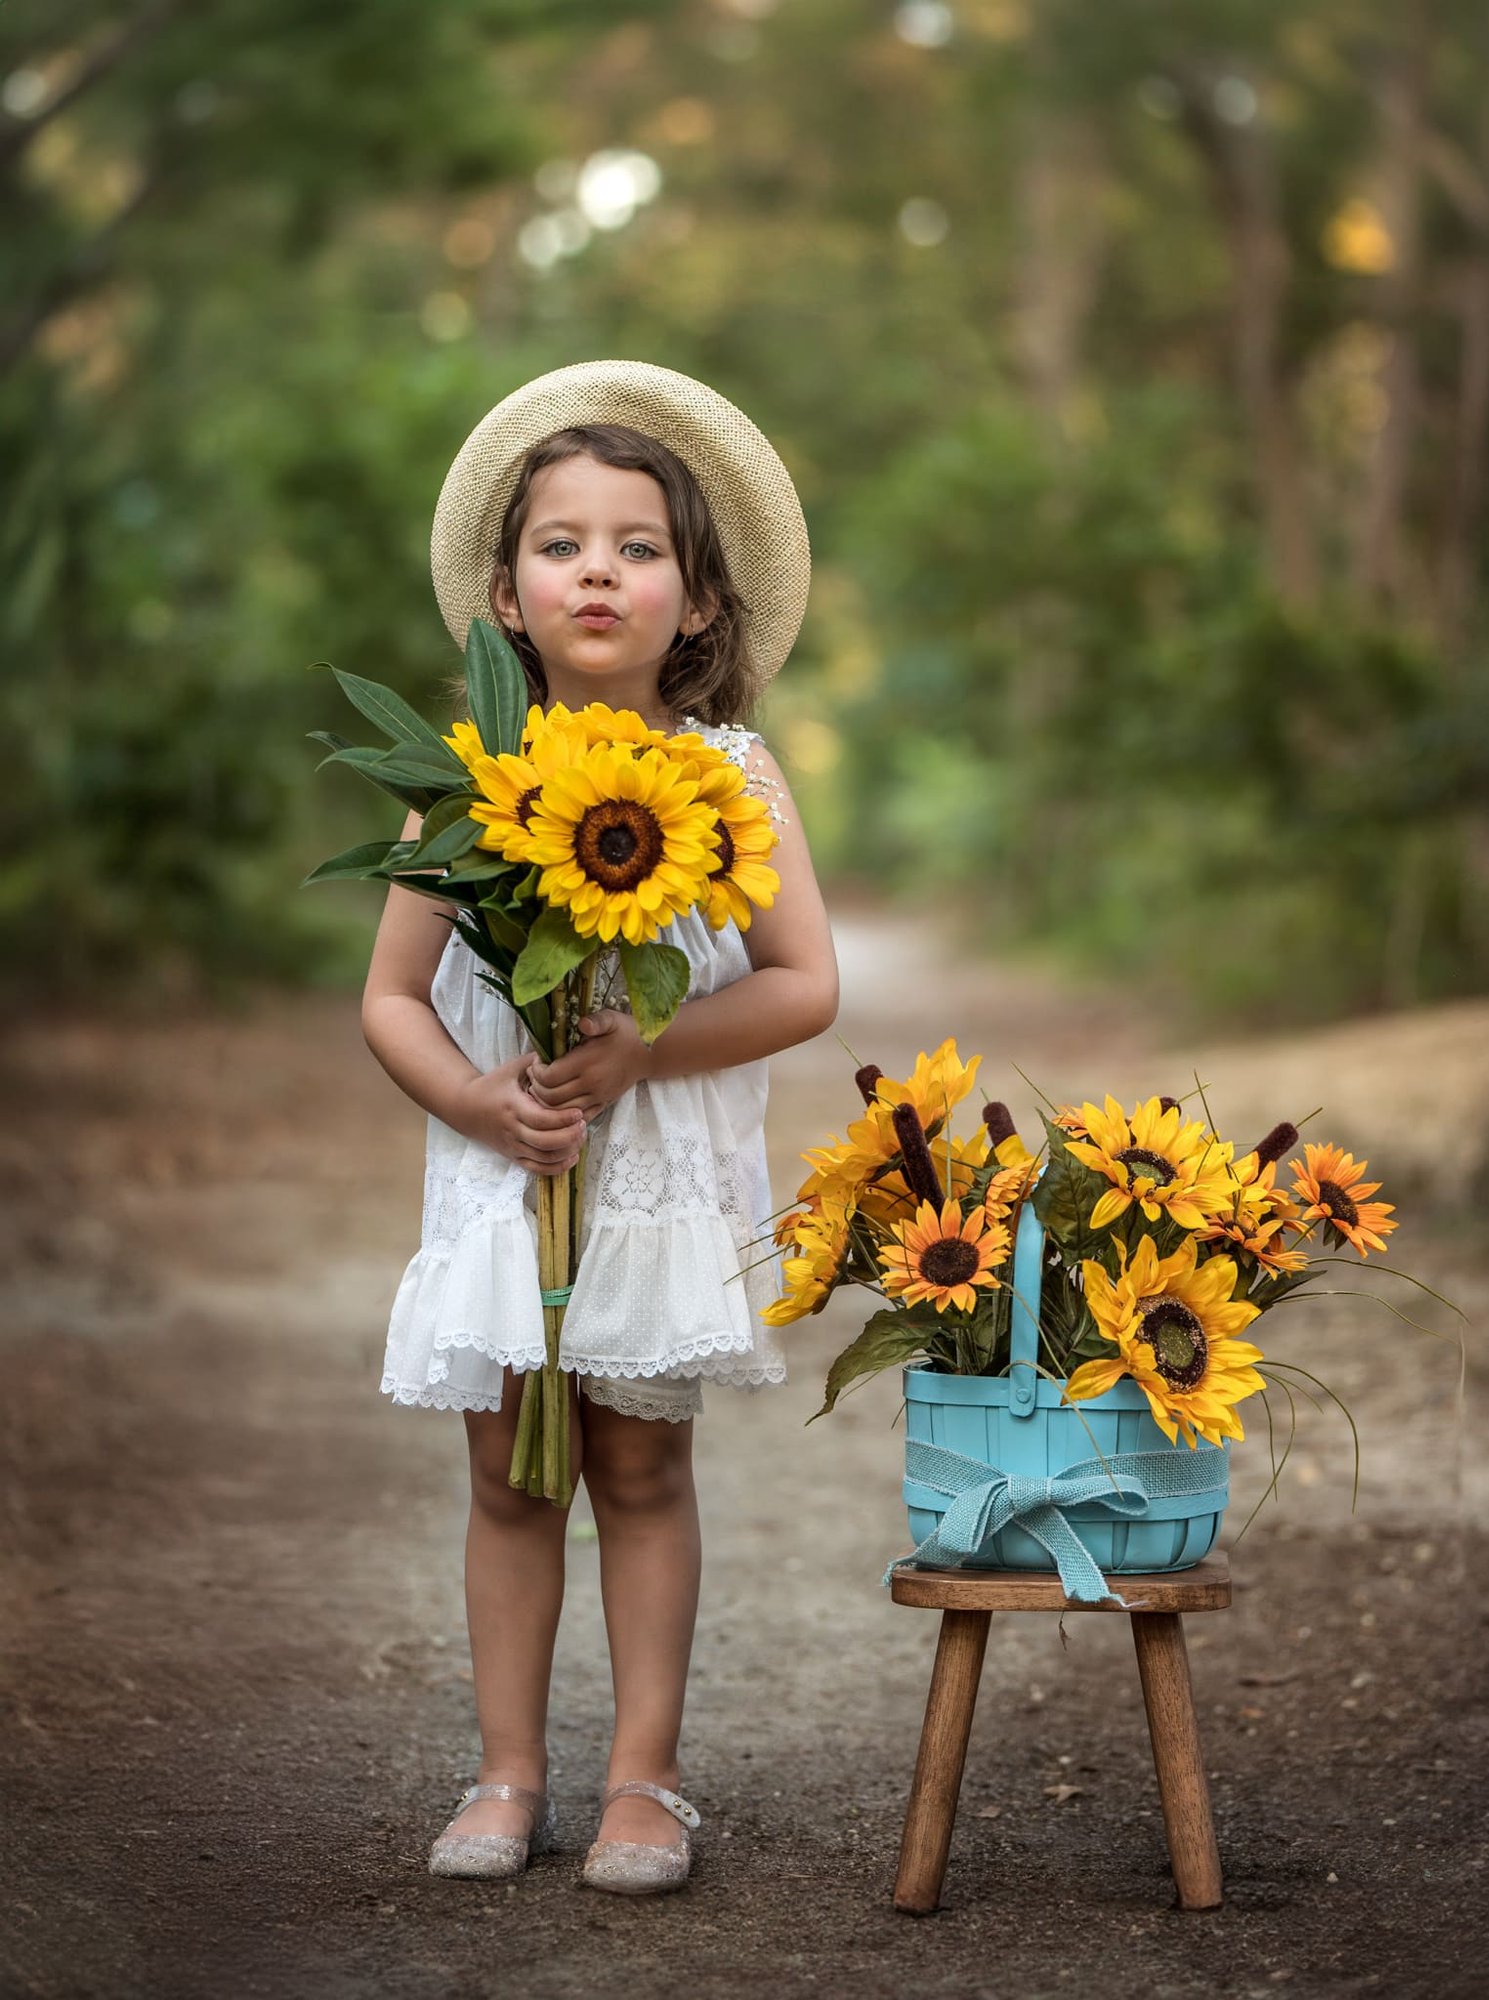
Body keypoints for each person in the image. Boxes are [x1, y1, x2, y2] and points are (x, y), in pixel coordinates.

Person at [360, 361, 838, 1895]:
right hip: (512, 1175)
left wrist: (645, 1052)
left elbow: (806, 983)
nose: (598, 573)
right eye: (561, 545)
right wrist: (475, 1097)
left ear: (698, 603)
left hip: (653, 1188)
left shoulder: (729, 774)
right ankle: (506, 1771)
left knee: (638, 1473)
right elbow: (394, 1000)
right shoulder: (466, 783)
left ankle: (647, 1778)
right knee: (510, 1477)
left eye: (639, 548)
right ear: (505, 596)